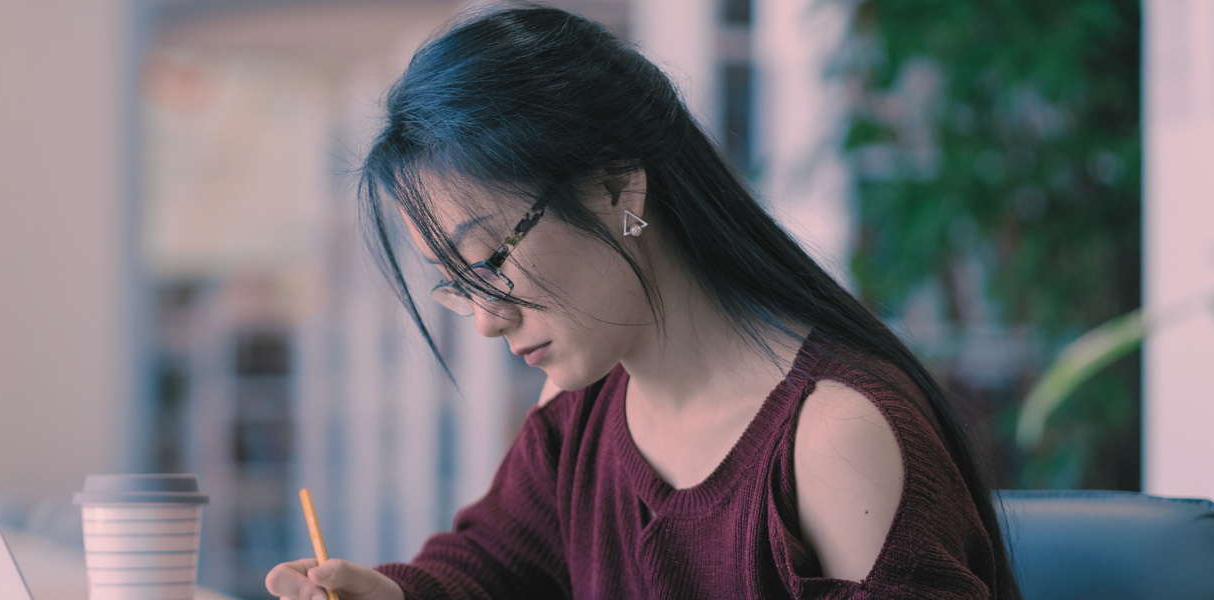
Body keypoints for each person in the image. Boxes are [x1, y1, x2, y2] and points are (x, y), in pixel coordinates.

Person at [267, 4, 1022, 599]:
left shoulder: (828, 440)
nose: (488, 319)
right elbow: (497, 566)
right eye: (455, 284)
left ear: (616, 186)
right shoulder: (577, 407)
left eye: (489, 259)